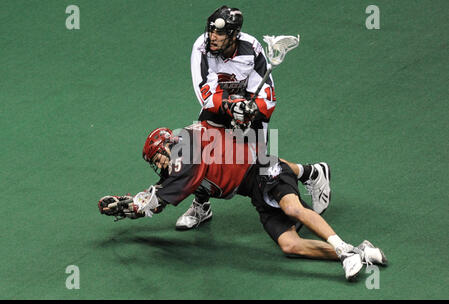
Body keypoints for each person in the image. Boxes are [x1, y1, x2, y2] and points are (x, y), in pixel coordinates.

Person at [98, 124, 388, 281]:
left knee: (293, 208)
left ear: (167, 147)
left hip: (264, 168)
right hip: (254, 194)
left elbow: (165, 191)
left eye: (157, 158)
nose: (159, 165)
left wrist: (135, 206)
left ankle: (341, 250)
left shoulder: (186, 148)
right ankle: (358, 252)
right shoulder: (183, 157)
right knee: (290, 245)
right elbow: (168, 188)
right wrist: (129, 204)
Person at [181, 5, 329, 230]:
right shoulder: (201, 48)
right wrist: (233, 105)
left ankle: (312, 173)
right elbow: (206, 93)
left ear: (233, 34)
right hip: (220, 107)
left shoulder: (252, 49)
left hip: (250, 114)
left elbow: (268, 99)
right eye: (211, 30)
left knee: (255, 168)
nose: (213, 37)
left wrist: (250, 111)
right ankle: (201, 205)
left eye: (220, 33)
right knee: (197, 151)